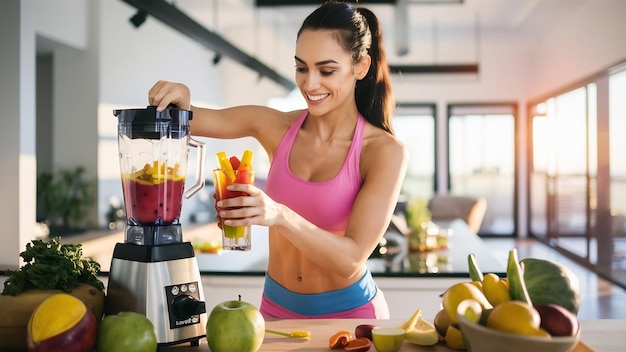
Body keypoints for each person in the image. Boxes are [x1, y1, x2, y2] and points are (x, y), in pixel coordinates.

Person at [149, 0, 407, 319]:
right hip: (275, 309)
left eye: (326, 70)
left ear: (361, 67)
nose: (310, 84)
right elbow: (189, 119)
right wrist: (181, 97)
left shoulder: (383, 151)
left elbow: (351, 258)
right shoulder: (277, 127)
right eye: (301, 67)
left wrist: (278, 214)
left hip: (350, 312)